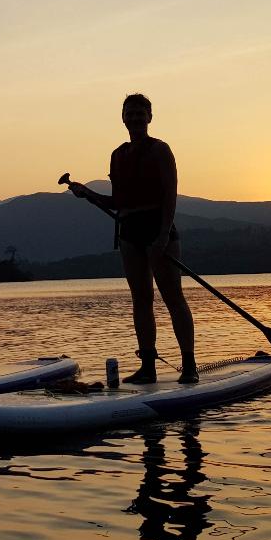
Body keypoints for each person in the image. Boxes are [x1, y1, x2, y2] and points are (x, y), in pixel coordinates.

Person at [66, 93, 197, 384]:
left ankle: (189, 365)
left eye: (141, 113)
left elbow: (170, 195)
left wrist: (163, 235)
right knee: (141, 300)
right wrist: (87, 193)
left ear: (149, 117)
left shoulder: (161, 150)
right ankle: (148, 366)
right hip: (129, 232)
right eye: (131, 113)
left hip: (157, 229)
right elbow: (118, 202)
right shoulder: (117, 155)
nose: (136, 118)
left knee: (173, 297)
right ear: (123, 118)